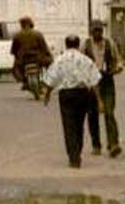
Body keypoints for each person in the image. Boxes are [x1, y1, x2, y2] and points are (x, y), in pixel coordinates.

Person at [41, 35, 103, 168]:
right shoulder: (86, 60)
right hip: (82, 94)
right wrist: (99, 100)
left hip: (66, 95)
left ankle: (74, 158)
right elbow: (95, 80)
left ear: (66, 44)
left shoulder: (59, 60)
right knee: (79, 125)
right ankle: (77, 152)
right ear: (78, 44)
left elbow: (52, 78)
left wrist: (47, 94)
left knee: (69, 126)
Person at [84, 21, 123, 158]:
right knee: (92, 115)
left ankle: (113, 144)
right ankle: (96, 145)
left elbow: (118, 60)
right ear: (90, 32)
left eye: (99, 31)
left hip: (106, 80)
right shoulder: (86, 45)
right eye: (95, 31)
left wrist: (118, 67)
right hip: (90, 83)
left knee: (109, 112)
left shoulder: (109, 43)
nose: (97, 34)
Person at [11, 16, 52, 92]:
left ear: (21, 25)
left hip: (23, 60)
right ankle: (47, 80)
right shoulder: (38, 34)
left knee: (14, 69)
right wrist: (49, 56)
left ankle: (24, 82)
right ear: (31, 24)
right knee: (51, 64)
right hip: (38, 59)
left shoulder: (17, 35)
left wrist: (17, 58)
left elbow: (13, 51)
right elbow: (44, 48)